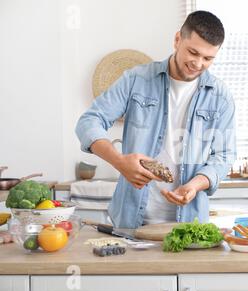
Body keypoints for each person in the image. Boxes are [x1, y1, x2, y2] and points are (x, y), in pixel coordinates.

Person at [75, 11, 236, 228]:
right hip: (130, 223)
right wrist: (120, 162)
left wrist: (195, 186)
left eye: (208, 58)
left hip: (189, 226)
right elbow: (89, 121)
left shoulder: (221, 96)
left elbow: (224, 156)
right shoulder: (136, 79)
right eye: (193, 52)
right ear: (177, 39)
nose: (198, 64)